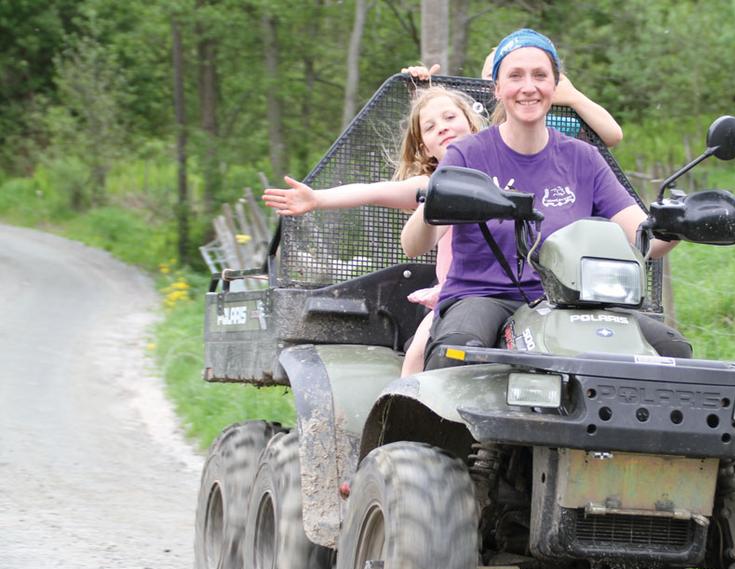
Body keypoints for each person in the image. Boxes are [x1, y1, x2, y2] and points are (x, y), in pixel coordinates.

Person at [400, 29, 692, 371]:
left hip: (571, 304)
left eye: (540, 75)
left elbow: (644, 240)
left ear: (555, 87)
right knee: (457, 349)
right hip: (482, 296)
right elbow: (412, 245)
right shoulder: (467, 155)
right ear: (497, 88)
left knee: (672, 352)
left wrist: (674, 227)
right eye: (515, 76)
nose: (528, 87)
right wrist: (437, 200)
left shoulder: (583, 158)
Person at [262, 85, 486, 376]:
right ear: (424, 147)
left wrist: (567, 96)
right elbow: (372, 191)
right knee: (419, 351)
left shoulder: (501, 162)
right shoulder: (431, 185)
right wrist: (317, 199)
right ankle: (405, 413)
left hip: (504, 291)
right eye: (430, 127)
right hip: (457, 295)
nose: (442, 128)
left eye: (449, 117)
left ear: (471, 121)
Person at [403, 57, 623, 148]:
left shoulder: (549, 127)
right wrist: (421, 91)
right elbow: (440, 141)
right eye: (491, 76)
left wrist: (573, 96)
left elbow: (612, 136)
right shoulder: (474, 122)